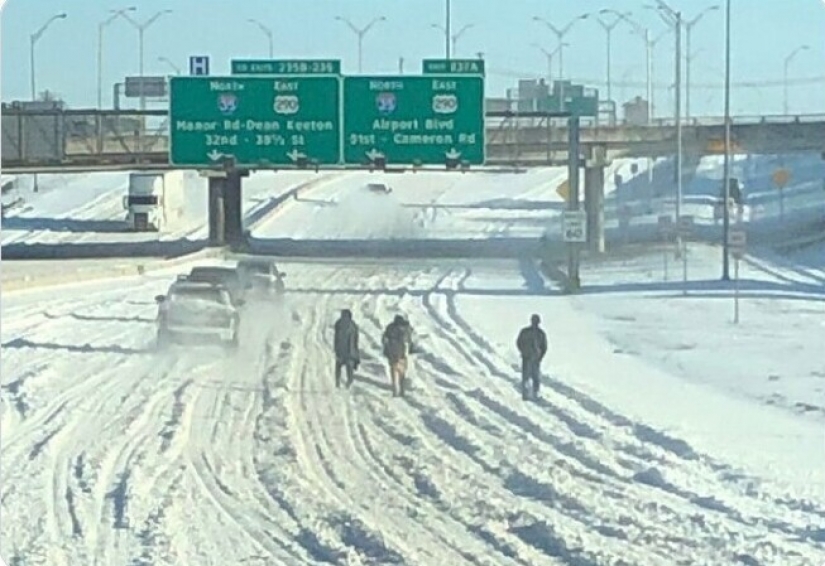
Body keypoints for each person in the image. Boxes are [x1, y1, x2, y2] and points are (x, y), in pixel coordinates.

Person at [516, 314, 548, 400]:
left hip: (534, 358)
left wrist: (540, 357)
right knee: (527, 376)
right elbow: (519, 343)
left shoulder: (540, 333)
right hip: (527, 357)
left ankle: (534, 393)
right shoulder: (526, 331)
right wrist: (523, 351)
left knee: (534, 377)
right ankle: (526, 393)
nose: (535, 323)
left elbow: (544, 347)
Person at [382, 314, 414, 397]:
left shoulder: (390, 328)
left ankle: (395, 391)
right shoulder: (403, 330)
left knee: (394, 373)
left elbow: (384, 339)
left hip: (392, 355)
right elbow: (409, 338)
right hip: (401, 354)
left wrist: (386, 350)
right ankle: (401, 390)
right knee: (402, 374)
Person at [333, 309, 360, 388]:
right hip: (350, 352)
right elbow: (355, 341)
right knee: (349, 370)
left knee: (338, 367)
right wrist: (356, 355)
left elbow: (336, 339)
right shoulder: (353, 325)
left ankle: (337, 382)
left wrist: (336, 349)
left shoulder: (338, 324)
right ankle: (348, 384)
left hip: (340, 351)